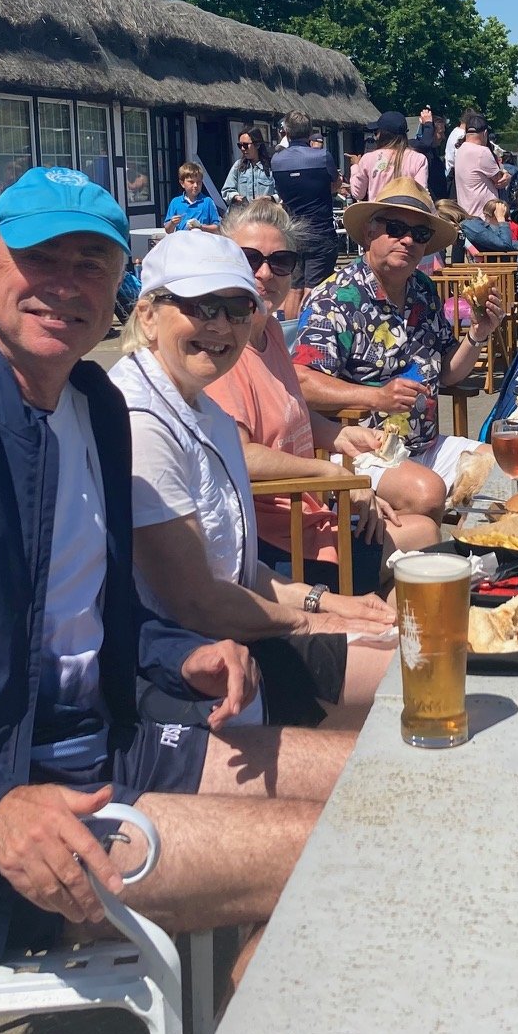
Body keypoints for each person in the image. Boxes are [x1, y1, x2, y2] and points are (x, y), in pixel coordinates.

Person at [0, 166, 346, 969]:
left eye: (92, 264)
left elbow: (89, 614)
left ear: (120, 288)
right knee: (337, 858)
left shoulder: (93, 404)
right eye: (41, 258)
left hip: (107, 746)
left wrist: (172, 651)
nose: (64, 285)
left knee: (382, 787)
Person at [111, 230, 401, 731]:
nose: (220, 324)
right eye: (200, 306)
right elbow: (198, 601)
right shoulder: (140, 419)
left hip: (237, 633)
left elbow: (238, 569)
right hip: (183, 670)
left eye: (236, 308)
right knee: (413, 672)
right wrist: (319, 623)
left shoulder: (204, 411)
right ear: (149, 315)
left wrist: (330, 601)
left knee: (407, 644)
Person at [212, 200, 448, 573]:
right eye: (249, 258)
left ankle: (372, 621)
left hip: (310, 511)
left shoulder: (269, 332)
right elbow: (239, 455)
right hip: (270, 543)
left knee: (423, 535)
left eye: (281, 262)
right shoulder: (222, 348)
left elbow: (294, 410)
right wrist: (335, 477)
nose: (265, 273)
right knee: (423, 537)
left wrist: (340, 436)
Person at [293, 178, 507, 503]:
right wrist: (377, 397)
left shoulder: (423, 288)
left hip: (425, 445)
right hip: (362, 451)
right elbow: (301, 383)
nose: (408, 240)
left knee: (505, 468)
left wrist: (478, 333)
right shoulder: (336, 299)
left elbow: (446, 372)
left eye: (419, 234)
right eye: (395, 228)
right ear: (369, 232)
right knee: (427, 492)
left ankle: (466, 551)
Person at [271, 111, 343, 288]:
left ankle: (291, 318)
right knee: (315, 289)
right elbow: (335, 185)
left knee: (294, 289)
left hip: (293, 231)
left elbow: (281, 193)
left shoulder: (277, 160)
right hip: (320, 230)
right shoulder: (322, 156)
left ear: (286, 131)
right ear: (310, 132)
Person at [348, 110, 430, 202]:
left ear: (381, 134)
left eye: (376, 132)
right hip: (407, 214)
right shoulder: (418, 159)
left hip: (378, 213)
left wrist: (355, 166)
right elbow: (421, 194)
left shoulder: (368, 159)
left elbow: (357, 193)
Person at [452, 114, 507, 218]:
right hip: (486, 218)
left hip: (468, 215)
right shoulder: (482, 152)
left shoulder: (460, 150)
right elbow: (500, 180)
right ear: (485, 133)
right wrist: (507, 175)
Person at [221, 127, 276, 207]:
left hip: (264, 215)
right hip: (243, 215)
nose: (243, 149)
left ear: (257, 145)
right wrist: (235, 197)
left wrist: (269, 198)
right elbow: (226, 190)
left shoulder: (271, 166)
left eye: (246, 145)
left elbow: (281, 193)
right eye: (240, 145)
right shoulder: (238, 166)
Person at [163, 161, 222, 234]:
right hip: (183, 242)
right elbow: (168, 230)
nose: (195, 185)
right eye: (191, 182)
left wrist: (201, 227)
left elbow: (217, 228)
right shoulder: (175, 202)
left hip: (202, 242)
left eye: (199, 182)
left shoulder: (207, 202)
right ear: (182, 183)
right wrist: (172, 223)